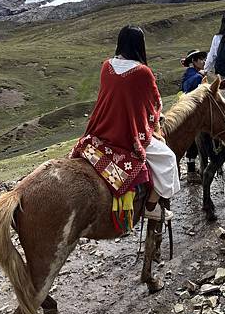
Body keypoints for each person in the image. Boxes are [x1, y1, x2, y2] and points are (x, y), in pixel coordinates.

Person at [71, 25, 179, 222]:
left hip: (99, 132)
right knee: (169, 159)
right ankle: (151, 207)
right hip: (127, 136)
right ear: (140, 45)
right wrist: (153, 120)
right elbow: (154, 103)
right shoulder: (143, 72)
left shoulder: (106, 66)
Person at [180, 49, 207, 183]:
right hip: (193, 111)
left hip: (192, 109)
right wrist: (200, 76)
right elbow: (189, 88)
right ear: (194, 61)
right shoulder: (194, 75)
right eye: (201, 59)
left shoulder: (193, 73)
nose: (204, 61)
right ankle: (191, 172)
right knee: (193, 142)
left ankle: (192, 168)